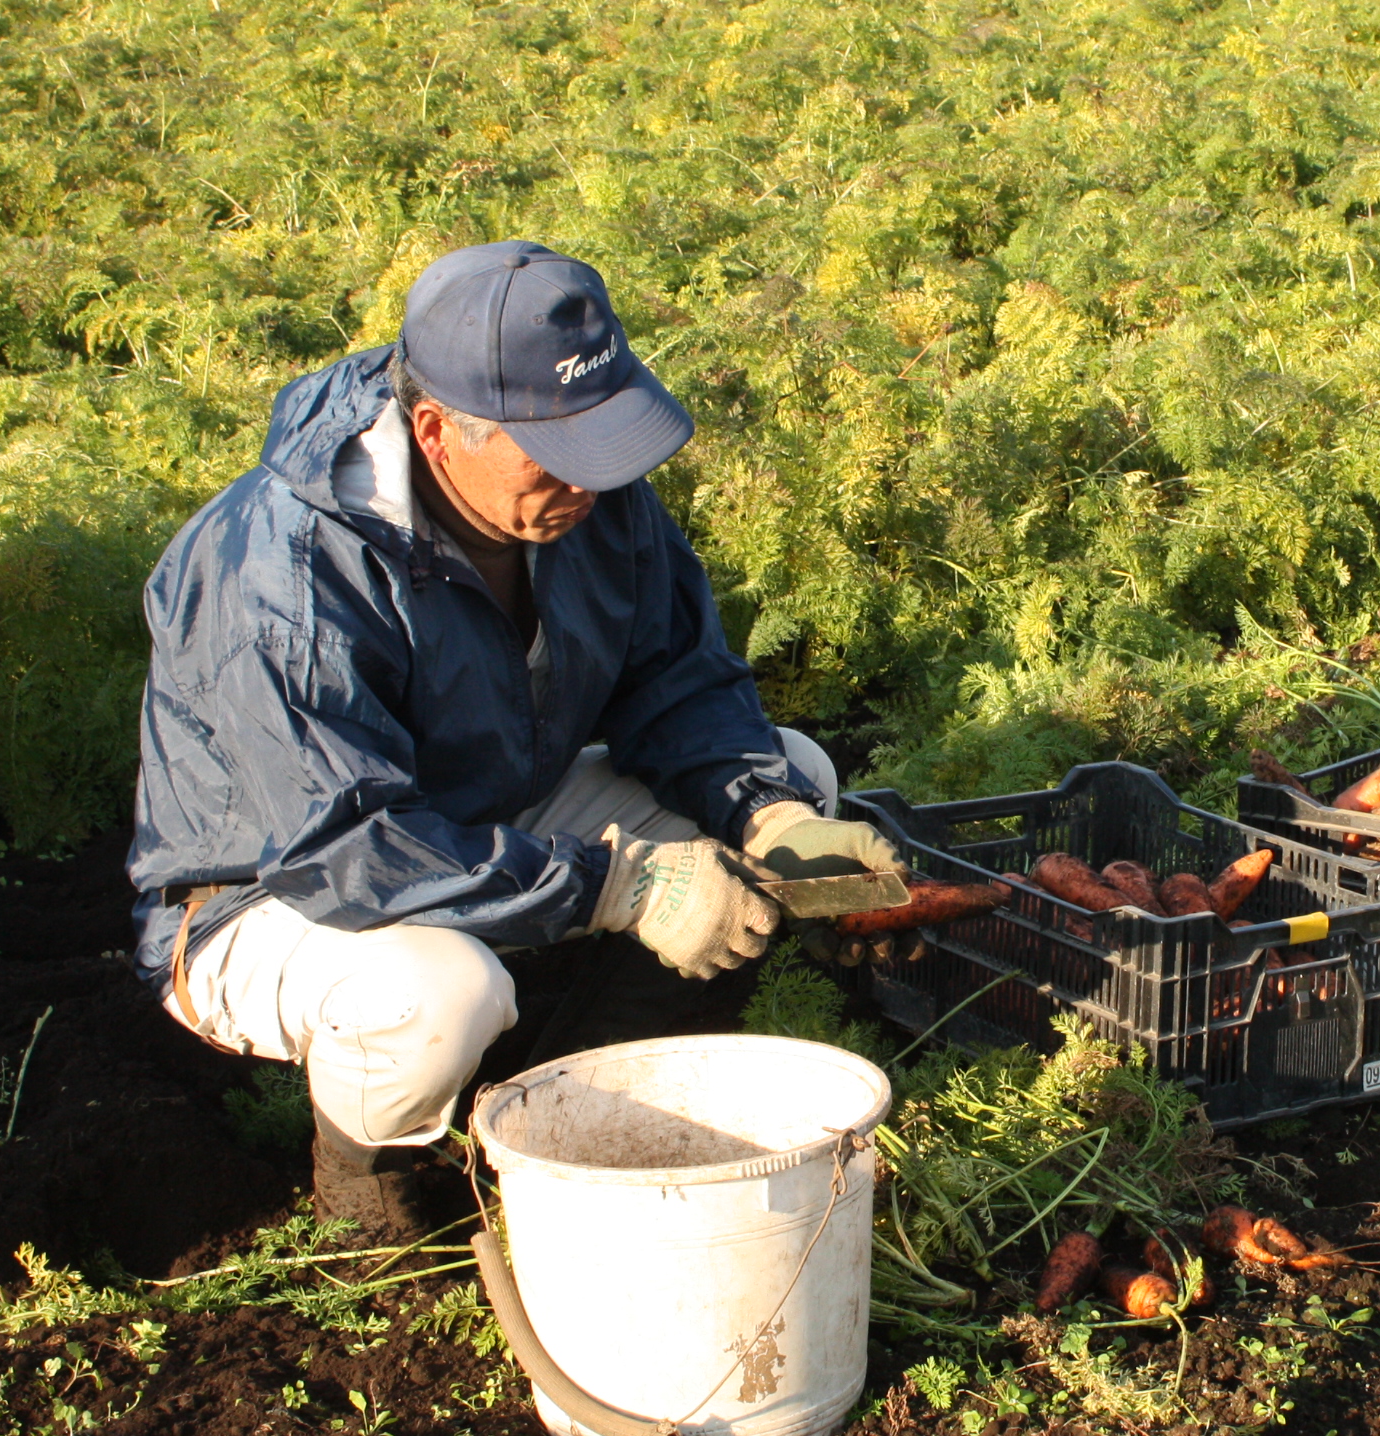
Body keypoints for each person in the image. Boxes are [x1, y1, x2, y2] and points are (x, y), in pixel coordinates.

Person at [126, 242, 903, 1238]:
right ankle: (376, 1212)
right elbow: (347, 849)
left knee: (797, 773)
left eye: (604, 442)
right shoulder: (284, 571)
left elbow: (676, 678)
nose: (591, 481)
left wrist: (766, 811)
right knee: (438, 994)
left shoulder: (587, 494)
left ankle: (582, 1100)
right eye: (560, 453)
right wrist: (623, 886)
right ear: (436, 430)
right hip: (269, 891)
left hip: (478, 805)